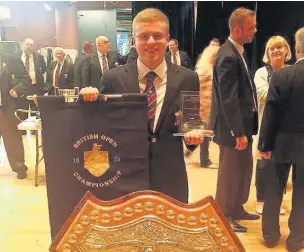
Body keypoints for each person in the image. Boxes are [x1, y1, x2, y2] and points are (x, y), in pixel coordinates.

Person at [81, 8, 208, 203]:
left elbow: (190, 127)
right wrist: (88, 102)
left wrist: (194, 134)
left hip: (170, 178)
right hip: (125, 177)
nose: (150, 42)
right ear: (133, 40)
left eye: (157, 36)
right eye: (144, 36)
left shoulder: (188, 78)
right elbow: (100, 128)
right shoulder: (112, 79)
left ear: (167, 38)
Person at [209, 7, 259, 233]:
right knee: (229, 174)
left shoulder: (237, 50)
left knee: (243, 169)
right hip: (233, 128)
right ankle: (223, 214)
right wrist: (238, 131)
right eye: (251, 27)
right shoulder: (228, 55)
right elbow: (228, 99)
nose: (255, 31)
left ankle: (236, 208)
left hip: (242, 126)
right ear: (237, 29)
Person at [258, 27, 304, 252]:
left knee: (274, 188)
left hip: (281, 142)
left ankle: (270, 235)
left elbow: (271, 114)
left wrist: (264, 144)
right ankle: (296, 240)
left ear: (295, 49)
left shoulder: (282, 76)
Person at [254, 36, 291, 215]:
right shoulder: (261, 72)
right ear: (267, 53)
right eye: (271, 48)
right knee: (263, 163)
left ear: (286, 50)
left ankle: (277, 201)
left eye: (279, 47)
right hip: (265, 124)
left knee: (283, 164)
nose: (275, 51)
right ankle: (261, 199)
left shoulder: (293, 70)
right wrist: (290, 94)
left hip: (287, 128)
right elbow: (263, 94)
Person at [0, 53, 31, 179]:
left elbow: (25, 79)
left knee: (12, 139)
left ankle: (19, 167)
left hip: (6, 107)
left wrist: (17, 90)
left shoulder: (11, 58)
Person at [195, 44, 220, 168]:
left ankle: (192, 151)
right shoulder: (204, 68)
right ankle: (204, 160)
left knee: (206, 133)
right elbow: (199, 87)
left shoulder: (210, 67)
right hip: (204, 105)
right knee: (206, 133)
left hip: (210, 104)